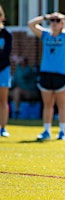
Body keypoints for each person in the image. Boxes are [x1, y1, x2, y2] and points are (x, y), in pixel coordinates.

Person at [28, 12, 65, 140]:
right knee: (47, 104)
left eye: (57, 21)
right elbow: (31, 24)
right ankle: (46, 130)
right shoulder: (45, 35)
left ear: (62, 24)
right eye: (52, 21)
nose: (54, 23)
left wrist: (64, 17)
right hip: (46, 73)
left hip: (61, 73)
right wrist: (46, 17)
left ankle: (62, 131)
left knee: (61, 104)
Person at [0, 5, 12, 137]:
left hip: (3, 69)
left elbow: (6, 53)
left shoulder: (6, 34)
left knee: (3, 100)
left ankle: (3, 127)